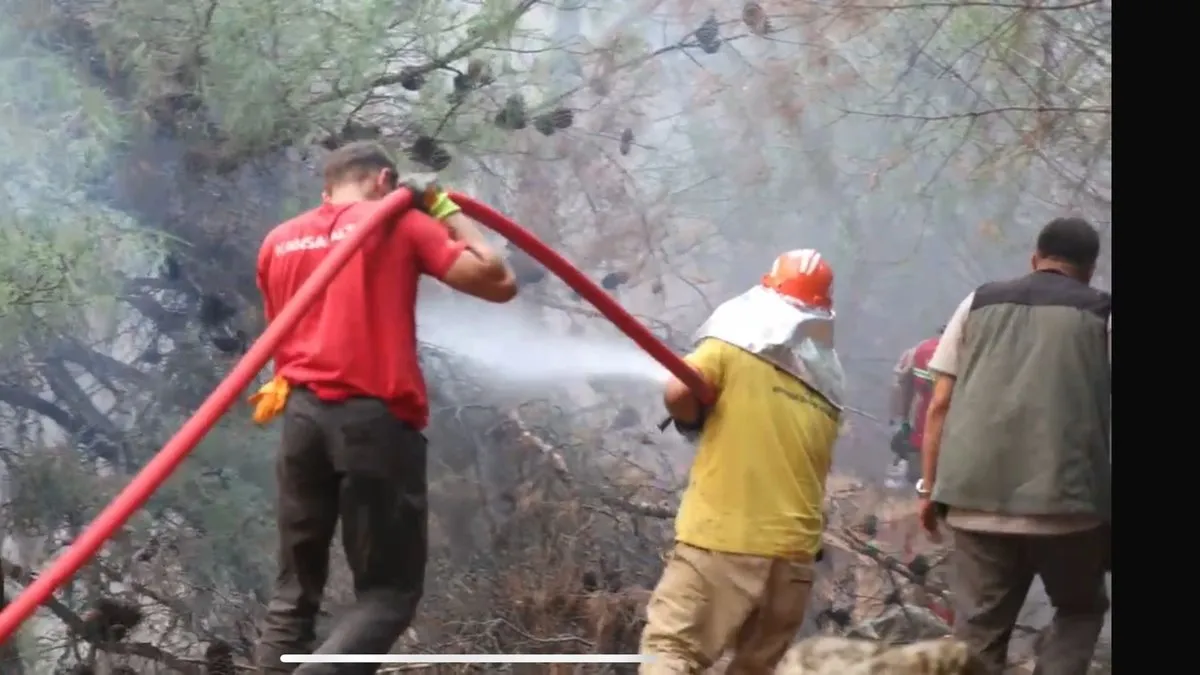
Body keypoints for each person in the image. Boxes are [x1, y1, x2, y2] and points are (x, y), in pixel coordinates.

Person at [251, 141, 518, 674]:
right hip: (371, 421)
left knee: (293, 594)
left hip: (300, 422)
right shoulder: (396, 221)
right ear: (384, 181)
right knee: (388, 593)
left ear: (327, 189)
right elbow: (498, 280)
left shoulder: (278, 242)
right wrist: (445, 210)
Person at [918, 217, 1110, 675]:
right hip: (1068, 506)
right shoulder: (1101, 313)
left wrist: (929, 489)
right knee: (1079, 608)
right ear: (1090, 268)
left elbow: (939, 403)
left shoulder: (976, 303)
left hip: (971, 497)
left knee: (978, 629)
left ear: (1035, 258)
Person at [640, 249, 845, 675]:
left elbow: (679, 391)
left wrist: (691, 418)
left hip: (723, 543)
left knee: (671, 653)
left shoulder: (730, 345)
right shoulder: (828, 383)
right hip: (792, 563)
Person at [887, 327, 943, 487]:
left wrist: (900, 422)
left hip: (924, 437)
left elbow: (900, 385)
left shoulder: (918, 351)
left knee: (923, 488)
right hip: (949, 441)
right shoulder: (970, 355)